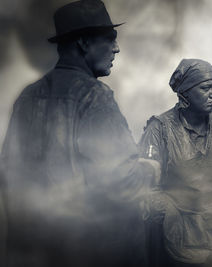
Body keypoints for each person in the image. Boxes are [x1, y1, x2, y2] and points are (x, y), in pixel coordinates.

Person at [1, 1, 159, 266]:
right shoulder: (94, 97)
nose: (116, 48)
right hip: (91, 252)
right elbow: (122, 184)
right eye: (110, 40)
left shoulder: (27, 97)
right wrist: (151, 169)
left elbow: (9, 172)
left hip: (34, 252)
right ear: (84, 43)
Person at [140, 58, 212, 266]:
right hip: (176, 232)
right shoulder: (159, 129)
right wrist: (167, 212)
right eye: (205, 88)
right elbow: (146, 186)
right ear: (185, 92)